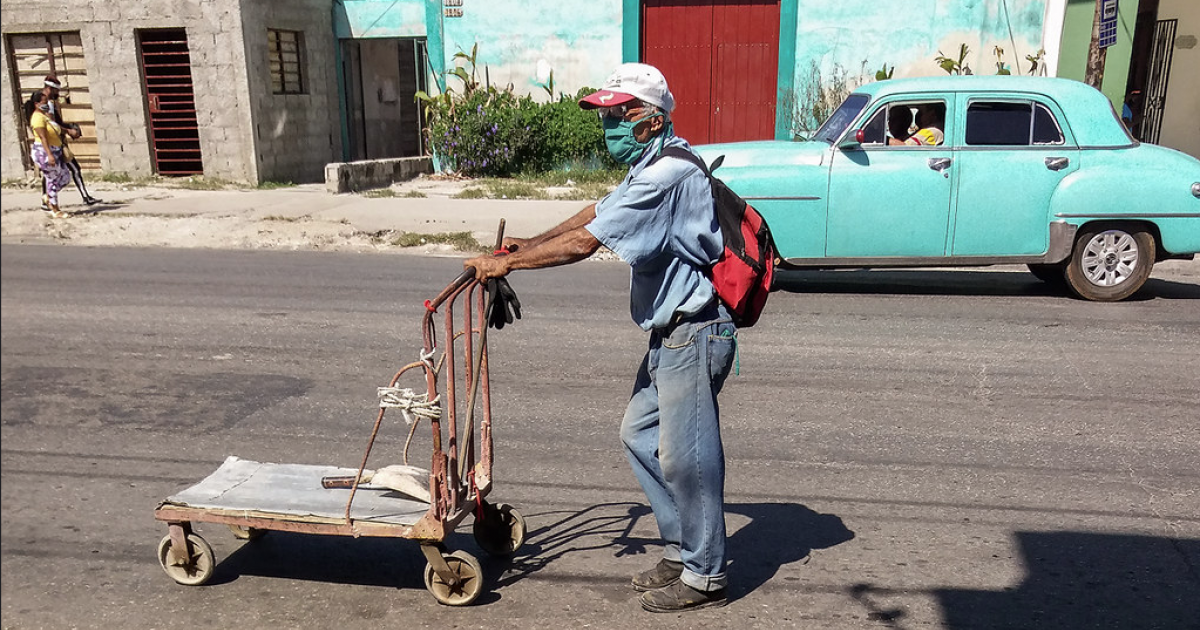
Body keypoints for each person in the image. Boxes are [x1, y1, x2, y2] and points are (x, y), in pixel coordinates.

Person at [463, 62, 736, 613]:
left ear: (649, 119)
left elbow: (587, 243)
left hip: (696, 330)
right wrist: (523, 246)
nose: (607, 124)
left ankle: (705, 574)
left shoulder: (668, 175)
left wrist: (506, 269)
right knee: (638, 435)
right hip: (669, 335)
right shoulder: (652, 163)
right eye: (605, 115)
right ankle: (684, 546)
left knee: (689, 461)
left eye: (617, 114)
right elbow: (596, 214)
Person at [40, 75, 100, 206]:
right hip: (55, 144)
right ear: (50, 89)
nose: (58, 93)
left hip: (54, 142)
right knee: (75, 169)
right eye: (56, 90)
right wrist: (69, 131)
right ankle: (85, 198)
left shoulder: (46, 103)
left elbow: (56, 123)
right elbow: (52, 125)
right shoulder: (46, 104)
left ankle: (46, 201)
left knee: (49, 173)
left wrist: (69, 127)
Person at [27, 90, 72, 218]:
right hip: (44, 152)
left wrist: (68, 131)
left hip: (55, 150)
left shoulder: (44, 116)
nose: (47, 104)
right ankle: (55, 209)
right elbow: (43, 138)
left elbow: (55, 129)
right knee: (52, 178)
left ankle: (48, 196)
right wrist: (49, 155)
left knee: (65, 177)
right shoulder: (37, 118)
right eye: (44, 102)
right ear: (36, 104)